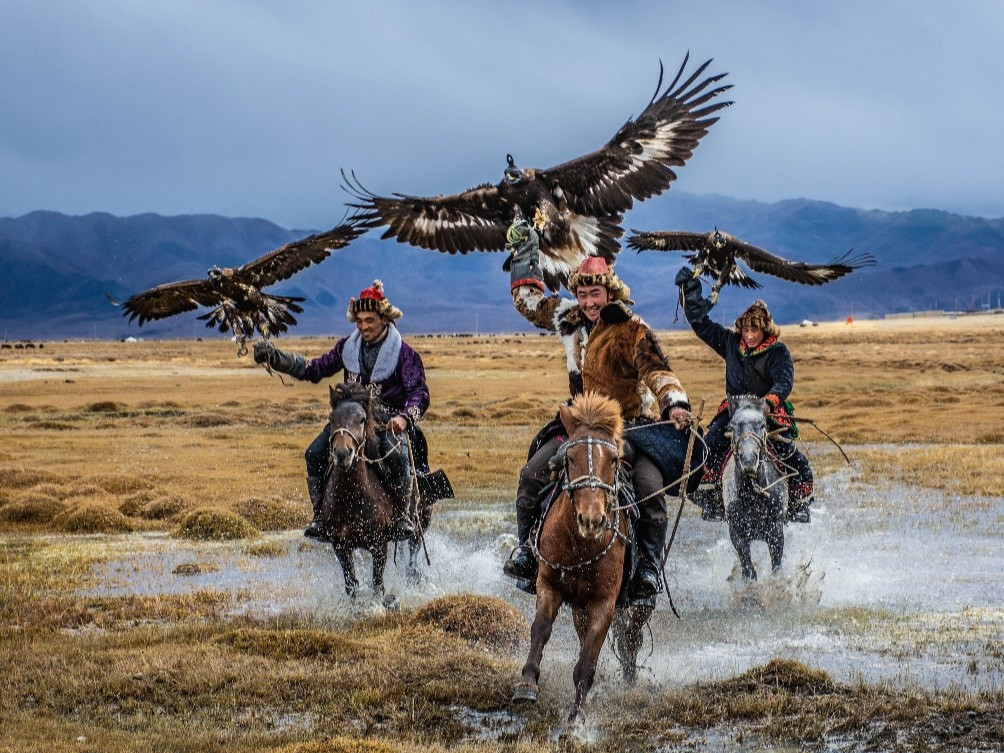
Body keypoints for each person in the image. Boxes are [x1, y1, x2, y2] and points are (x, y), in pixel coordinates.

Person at [504, 220, 701, 602]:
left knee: (648, 489)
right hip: (578, 425)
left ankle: (647, 568)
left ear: (609, 292)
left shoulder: (631, 329)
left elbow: (658, 370)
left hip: (630, 429)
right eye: (582, 294)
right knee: (531, 475)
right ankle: (529, 553)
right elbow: (527, 301)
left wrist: (674, 404)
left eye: (595, 294)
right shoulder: (568, 318)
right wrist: (525, 253)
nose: (589, 302)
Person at [253, 280, 430, 540]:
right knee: (314, 453)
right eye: (359, 321)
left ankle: (402, 517)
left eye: (369, 320)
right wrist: (276, 357)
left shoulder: (405, 354)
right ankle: (319, 518)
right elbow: (313, 370)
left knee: (398, 456)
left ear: (384, 318)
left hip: (386, 421)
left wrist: (404, 418)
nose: (363, 326)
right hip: (349, 420)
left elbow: (420, 394)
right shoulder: (346, 348)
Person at [674, 267, 814, 523]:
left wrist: (769, 403)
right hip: (735, 410)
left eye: (755, 331)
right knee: (712, 442)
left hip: (766, 411)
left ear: (765, 331)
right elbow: (703, 327)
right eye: (746, 330)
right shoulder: (730, 343)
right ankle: (713, 498)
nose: (749, 335)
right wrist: (690, 295)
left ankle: (798, 502)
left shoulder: (777, 352)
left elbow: (784, 381)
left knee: (787, 452)